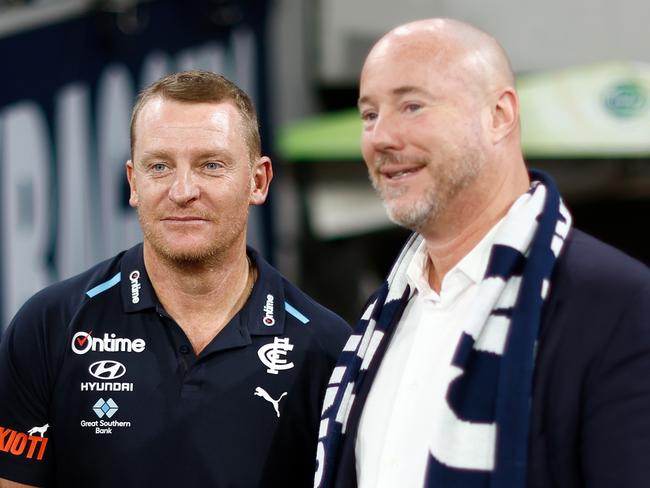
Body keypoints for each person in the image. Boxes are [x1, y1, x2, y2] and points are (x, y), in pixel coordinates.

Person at [315, 18, 650, 488]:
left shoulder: (618, 304)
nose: (381, 137)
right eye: (369, 115)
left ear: (499, 115)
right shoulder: (377, 321)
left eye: (412, 106)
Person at [0, 70, 350, 488]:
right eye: (160, 166)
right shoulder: (49, 326)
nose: (183, 190)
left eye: (211, 165)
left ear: (258, 181)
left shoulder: (328, 349)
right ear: (133, 182)